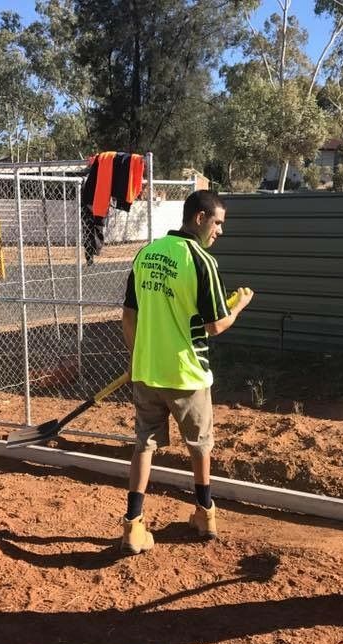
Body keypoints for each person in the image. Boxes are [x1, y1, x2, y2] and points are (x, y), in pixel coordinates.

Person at [120, 190, 253, 554]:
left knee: (144, 445)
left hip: (147, 372)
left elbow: (128, 316)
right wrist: (239, 306)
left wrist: (137, 357)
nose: (220, 231)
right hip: (188, 373)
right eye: (218, 223)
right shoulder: (201, 260)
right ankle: (205, 514)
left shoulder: (146, 254)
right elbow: (215, 325)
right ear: (199, 218)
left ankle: (133, 525)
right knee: (199, 445)